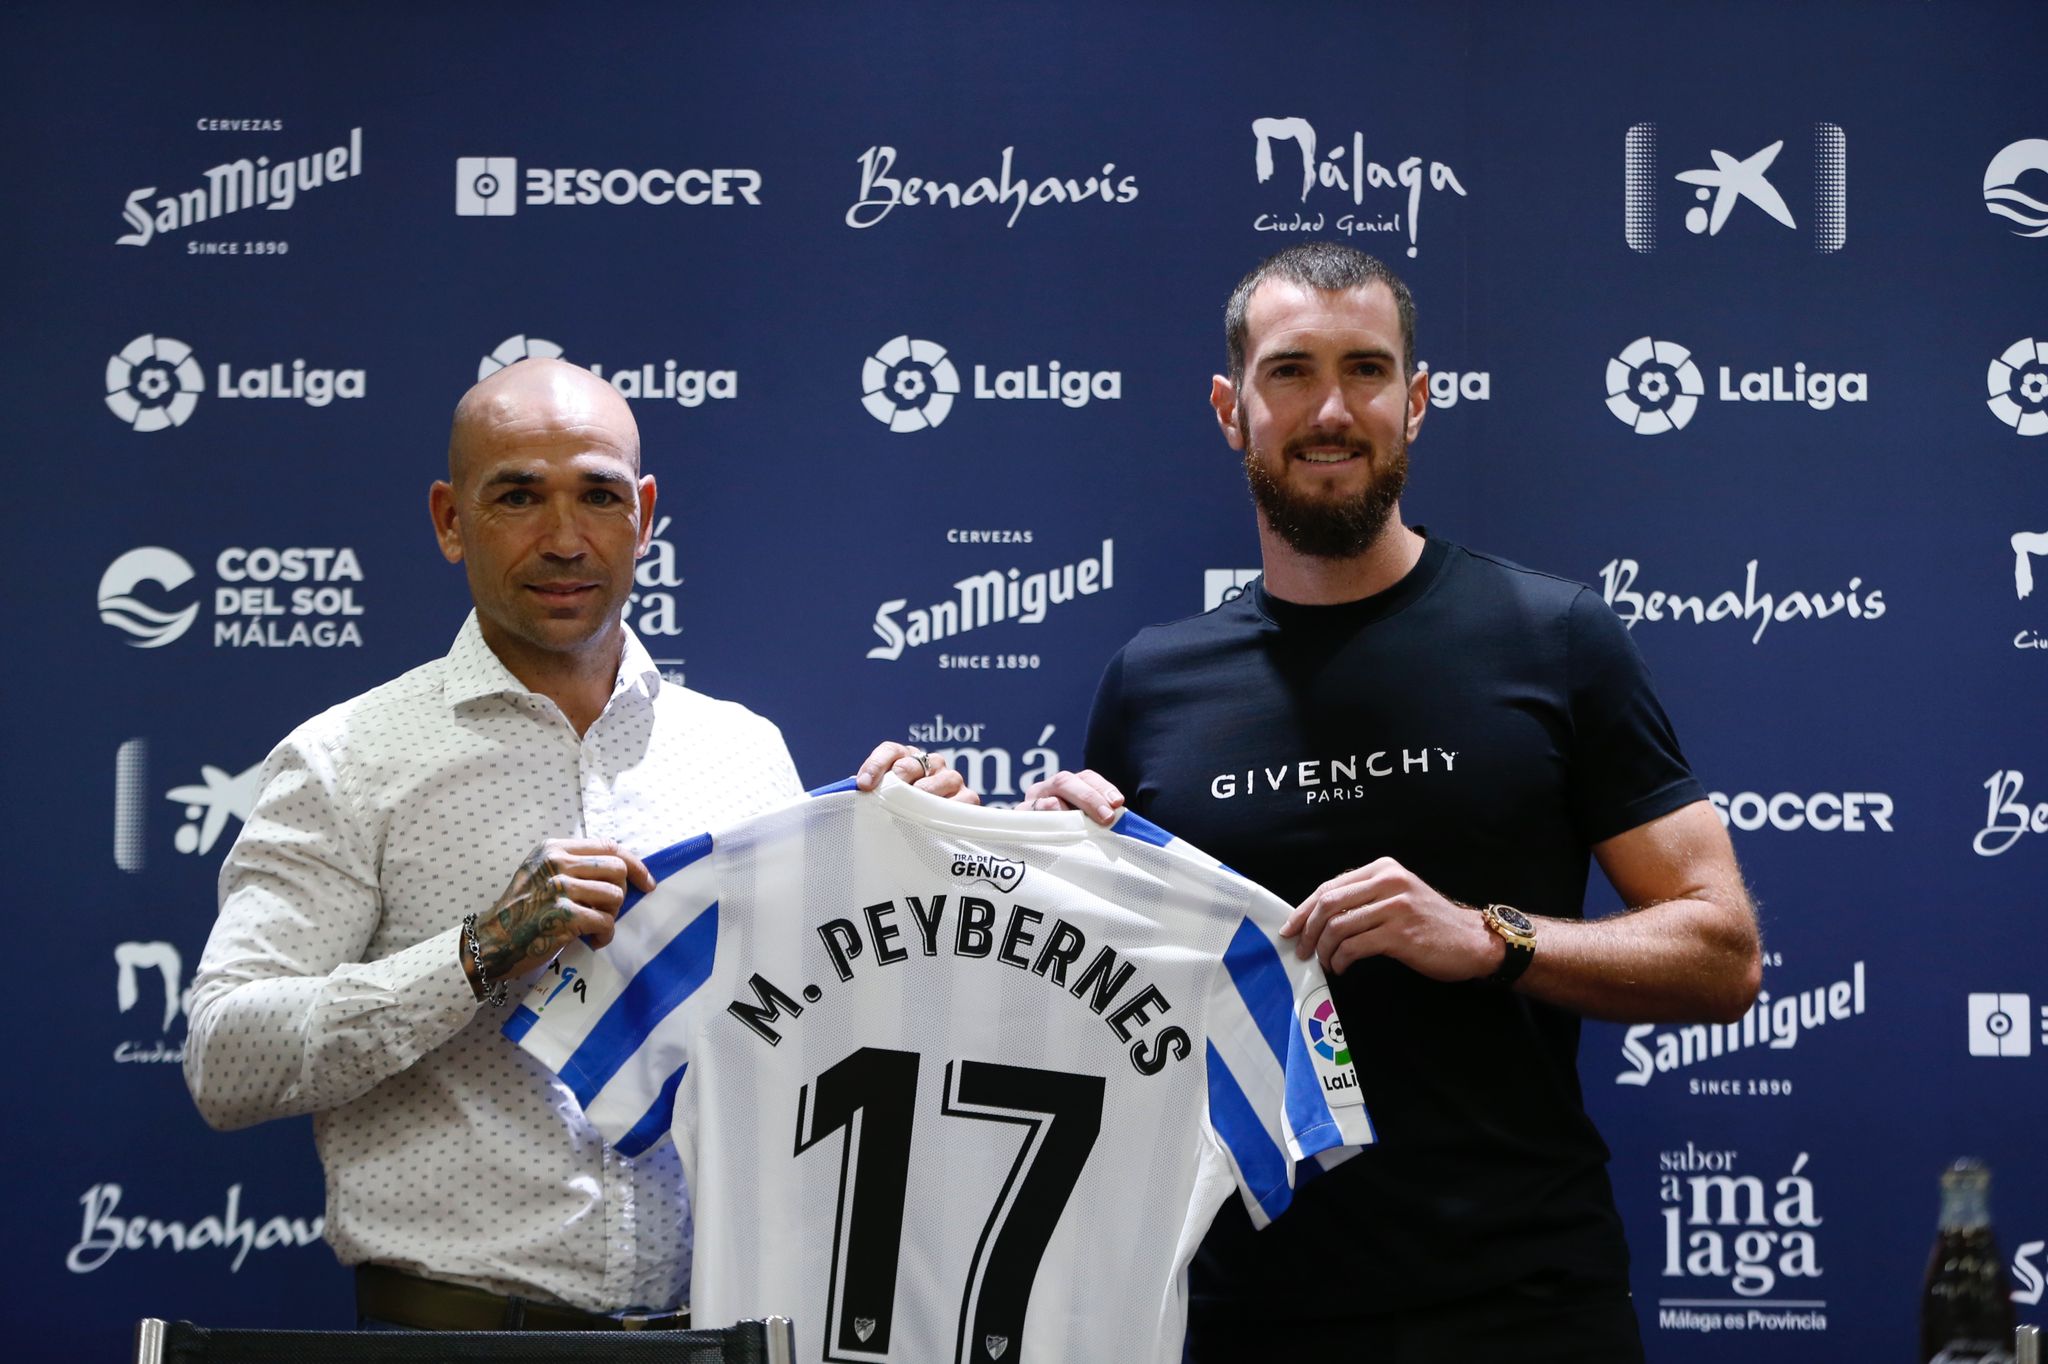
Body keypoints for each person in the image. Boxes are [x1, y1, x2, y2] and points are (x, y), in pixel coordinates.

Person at [1027, 243, 1760, 1362]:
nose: (1331, 408)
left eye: (1365, 370)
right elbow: (1103, 1006)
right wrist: (1035, 864)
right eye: (1289, 372)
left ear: (1414, 403)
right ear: (1231, 410)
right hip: (1237, 1306)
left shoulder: (1552, 637)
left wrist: (1485, 936)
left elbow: (1720, 954)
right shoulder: (1148, 680)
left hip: (1521, 1302)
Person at [183, 357, 965, 1331]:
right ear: (449, 518)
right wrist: (475, 952)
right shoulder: (346, 758)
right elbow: (225, 1060)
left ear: (641, 513)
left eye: (596, 494)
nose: (563, 538)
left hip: (713, 1330)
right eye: (517, 495)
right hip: (454, 1334)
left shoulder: (739, 750)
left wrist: (892, 865)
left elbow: (815, 1036)